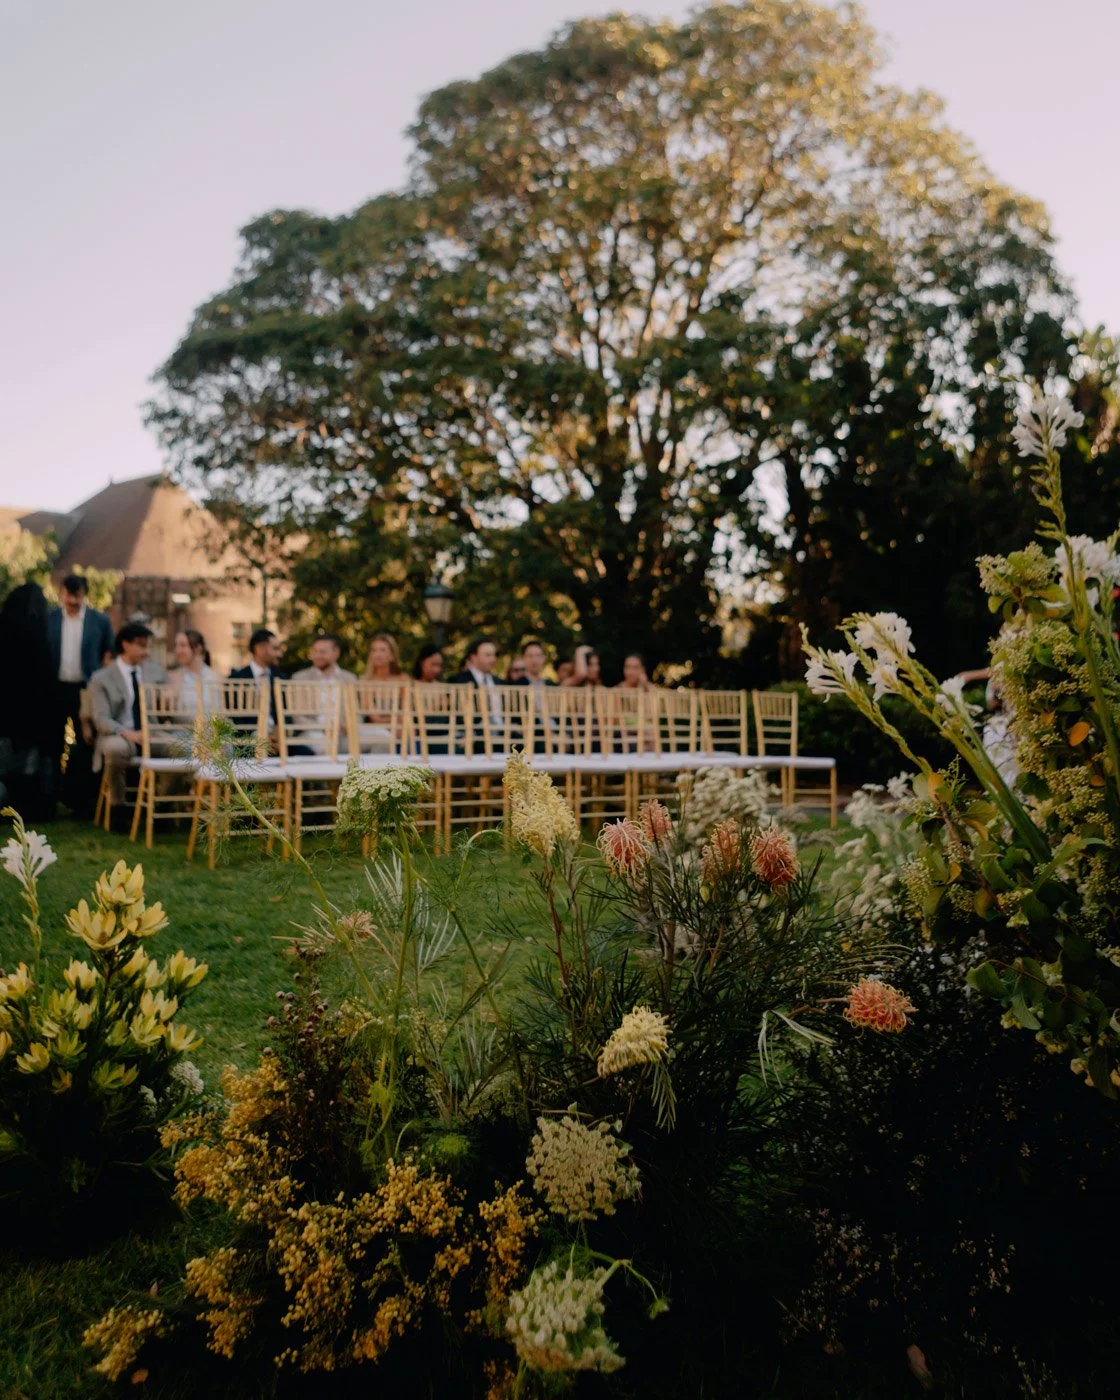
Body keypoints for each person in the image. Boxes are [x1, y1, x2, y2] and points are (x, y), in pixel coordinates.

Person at [46, 572, 115, 817]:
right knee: (53, 744)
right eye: (68, 596)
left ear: (84, 595)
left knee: (86, 744)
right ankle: (51, 799)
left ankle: (83, 802)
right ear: (61, 593)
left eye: (77, 596)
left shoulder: (99, 621)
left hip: (86, 690)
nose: (73, 602)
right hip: (56, 689)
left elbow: (109, 653)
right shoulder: (50, 619)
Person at [89, 621, 169, 824]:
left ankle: (161, 805)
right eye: (142, 645)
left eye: (148, 646)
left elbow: (168, 706)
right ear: (125, 644)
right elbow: (101, 718)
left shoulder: (155, 672)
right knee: (115, 749)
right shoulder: (102, 678)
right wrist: (128, 733)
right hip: (119, 733)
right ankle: (119, 808)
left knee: (181, 748)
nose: (147, 651)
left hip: (151, 733)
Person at [0, 582, 57, 819]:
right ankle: (28, 808)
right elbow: (46, 681)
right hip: (33, 718)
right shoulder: (40, 638)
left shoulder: (5, 633)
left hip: (6, 716)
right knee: (27, 768)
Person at [169, 629, 221, 717]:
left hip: (212, 729)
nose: (177, 650)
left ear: (198, 648)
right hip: (182, 729)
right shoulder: (173, 677)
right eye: (176, 646)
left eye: (183, 645)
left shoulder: (217, 678)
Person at [291, 634, 356, 684]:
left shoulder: (350, 679)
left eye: (322, 652)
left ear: (336, 653)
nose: (317, 656)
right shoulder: (299, 679)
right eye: (315, 651)